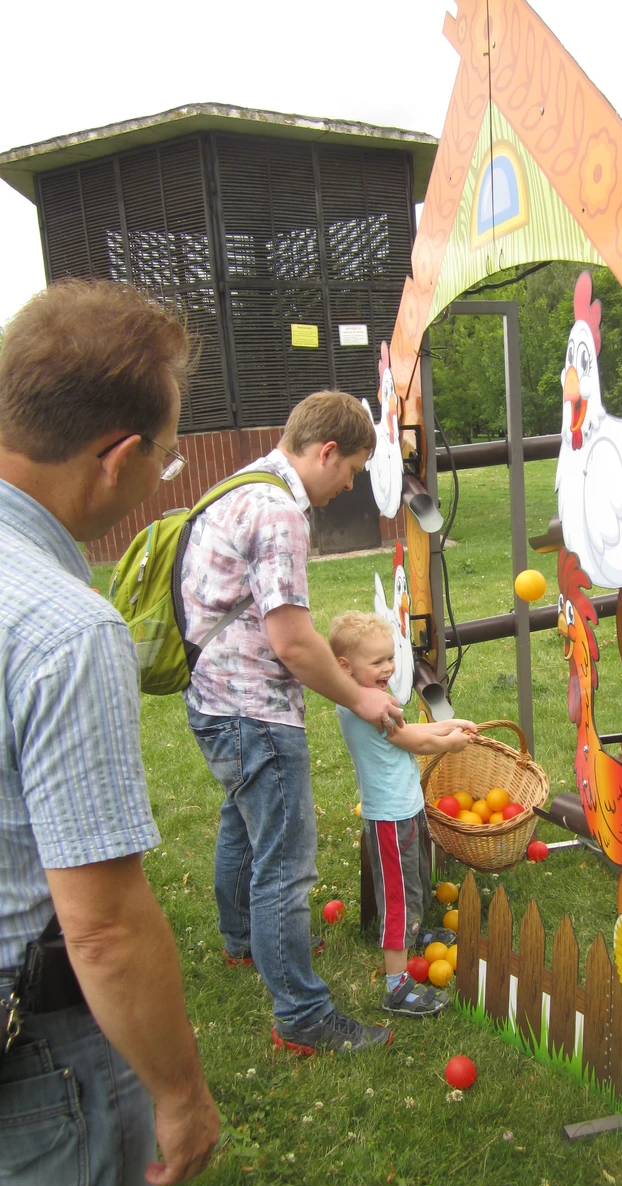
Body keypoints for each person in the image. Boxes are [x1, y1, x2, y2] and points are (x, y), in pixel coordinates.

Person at [0, 280, 220, 1186]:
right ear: (118, 457)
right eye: (166, 455)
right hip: (39, 1057)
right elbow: (102, 922)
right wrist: (178, 1090)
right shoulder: (67, 629)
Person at [181, 391, 404, 1055]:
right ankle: (302, 1016)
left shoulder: (242, 483)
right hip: (255, 712)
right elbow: (294, 643)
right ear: (326, 451)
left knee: (242, 826)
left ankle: (243, 941)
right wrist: (360, 698)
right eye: (352, 470)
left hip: (212, 701)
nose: (350, 485)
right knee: (285, 862)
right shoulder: (280, 512)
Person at [329, 612, 476, 1016]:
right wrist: (449, 742)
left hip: (404, 810)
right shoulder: (366, 708)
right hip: (390, 819)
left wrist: (450, 726)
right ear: (345, 668)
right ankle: (396, 988)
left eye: (390, 657)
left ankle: (413, 932)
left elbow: (409, 734)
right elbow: (413, 742)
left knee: (413, 881)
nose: (389, 667)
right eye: (377, 662)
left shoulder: (373, 701)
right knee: (397, 898)